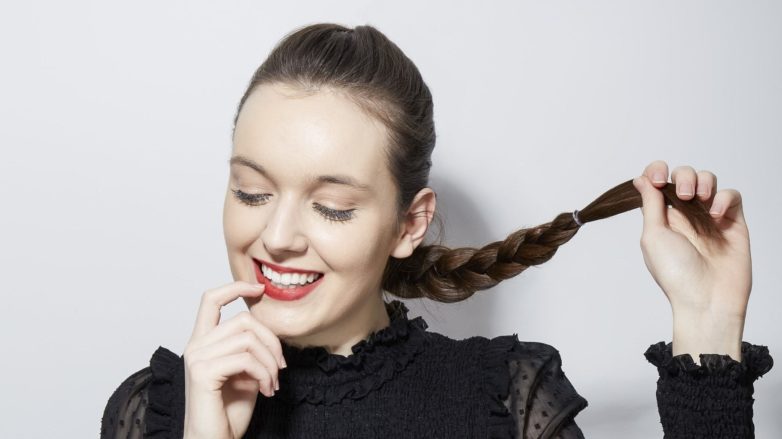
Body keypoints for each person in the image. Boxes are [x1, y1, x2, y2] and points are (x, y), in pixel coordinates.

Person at [99, 23, 773, 439]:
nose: (276, 235)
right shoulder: (153, 408)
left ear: (409, 223)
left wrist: (708, 330)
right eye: (252, 190)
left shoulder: (506, 400)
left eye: (331, 205)